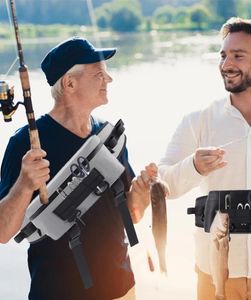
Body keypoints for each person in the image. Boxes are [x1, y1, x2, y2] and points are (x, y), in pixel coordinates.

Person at [158, 17, 251, 300]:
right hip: (215, 273)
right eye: (223, 55)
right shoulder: (197, 121)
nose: (226, 64)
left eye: (238, 55)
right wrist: (194, 167)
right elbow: (163, 185)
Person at [0, 37, 150, 300]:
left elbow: (132, 214)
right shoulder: (24, 144)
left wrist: (143, 193)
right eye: (99, 74)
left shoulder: (109, 136)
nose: (109, 80)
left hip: (122, 289)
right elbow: (3, 233)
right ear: (69, 83)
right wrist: (24, 185)